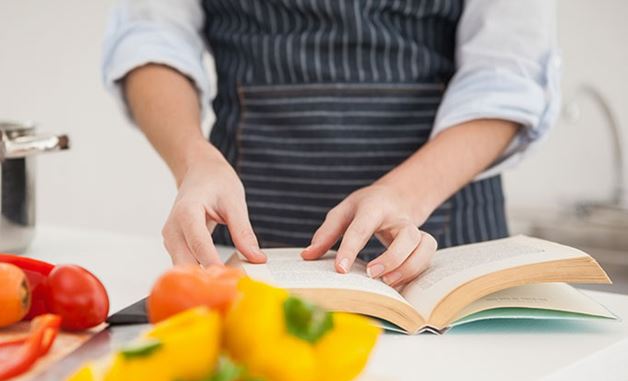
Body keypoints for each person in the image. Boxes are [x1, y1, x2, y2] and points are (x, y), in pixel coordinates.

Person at [102, 0, 558, 288]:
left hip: (445, 234)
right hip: (249, 243)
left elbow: (507, 75)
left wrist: (405, 195)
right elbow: (152, 35)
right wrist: (192, 161)